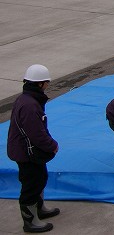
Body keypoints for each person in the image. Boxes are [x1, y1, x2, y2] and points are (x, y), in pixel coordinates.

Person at [6, 64, 60, 233]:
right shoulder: (30, 105)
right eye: (46, 83)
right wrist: (52, 145)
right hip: (26, 153)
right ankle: (30, 221)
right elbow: (36, 132)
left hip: (28, 151)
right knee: (31, 184)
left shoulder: (27, 99)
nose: (47, 86)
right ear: (40, 84)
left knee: (40, 177)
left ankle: (39, 209)